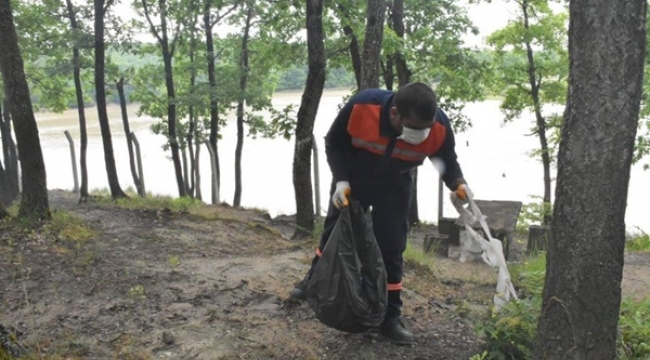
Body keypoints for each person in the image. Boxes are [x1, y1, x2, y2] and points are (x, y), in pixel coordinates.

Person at [290, 82, 469, 345]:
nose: (421, 134)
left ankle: (390, 316)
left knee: (392, 246)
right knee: (333, 234)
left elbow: (445, 159)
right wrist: (341, 180)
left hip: (396, 184)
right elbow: (334, 142)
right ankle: (313, 282)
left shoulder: (438, 125)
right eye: (415, 128)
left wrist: (458, 184)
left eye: (425, 128)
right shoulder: (364, 106)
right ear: (394, 113)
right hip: (354, 180)